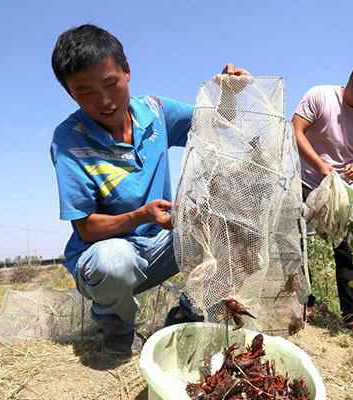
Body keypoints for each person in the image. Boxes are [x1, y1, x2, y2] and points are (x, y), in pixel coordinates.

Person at [50, 23, 249, 356]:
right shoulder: (68, 141)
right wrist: (140, 216)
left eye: (110, 83)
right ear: (70, 94)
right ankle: (117, 331)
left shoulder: (154, 112)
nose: (103, 100)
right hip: (107, 260)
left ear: (127, 72)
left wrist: (228, 92)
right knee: (113, 262)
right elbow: (85, 227)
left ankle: (190, 307)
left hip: (160, 246)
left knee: (236, 223)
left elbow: (216, 124)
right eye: (84, 91)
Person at [292, 58, 353, 332]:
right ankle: (305, 303)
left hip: (341, 189)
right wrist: (319, 164)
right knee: (295, 241)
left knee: (347, 249)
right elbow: (296, 130)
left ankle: (352, 315)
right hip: (305, 179)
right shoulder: (320, 96)